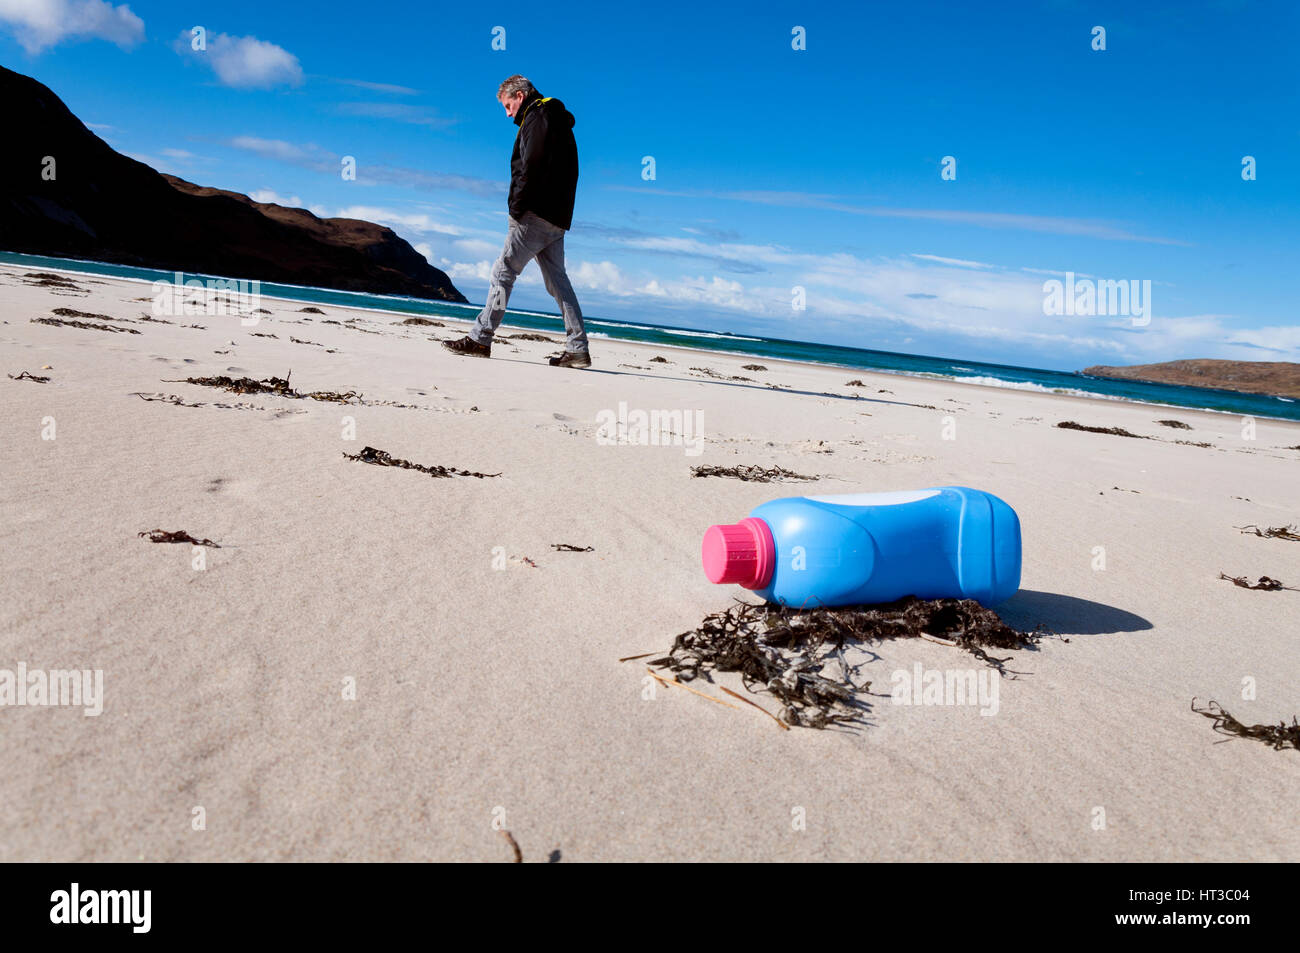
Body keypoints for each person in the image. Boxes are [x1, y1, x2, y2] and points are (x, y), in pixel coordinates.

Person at [443, 75, 590, 368]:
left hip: (534, 214)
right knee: (559, 284)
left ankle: (480, 338)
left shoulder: (538, 116)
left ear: (520, 96)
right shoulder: (558, 120)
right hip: (558, 218)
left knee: (503, 272)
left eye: (508, 106)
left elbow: (531, 165)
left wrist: (517, 207)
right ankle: (577, 348)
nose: (508, 114)